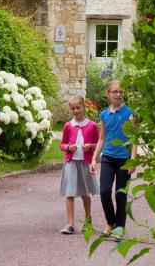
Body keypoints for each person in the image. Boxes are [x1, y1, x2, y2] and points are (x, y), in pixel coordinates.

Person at [90, 80, 138, 241]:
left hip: (124, 159)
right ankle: (111, 222)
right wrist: (94, 158)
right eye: (115, 92)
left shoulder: (129, 113)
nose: (118, 94)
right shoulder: (104, 114)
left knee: (120, 195)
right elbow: (102, 138)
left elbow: (134, 138)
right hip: (108, 158)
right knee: (104, 191)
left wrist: (133, 160)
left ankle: (119, 228)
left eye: (120, 92)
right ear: (108, 94)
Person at [58, 95, 100, 235]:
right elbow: (62, 144)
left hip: (85, 163)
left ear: (84, 107)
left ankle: (88, 221)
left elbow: (99, 144)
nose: (76, 111)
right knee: (69, 193)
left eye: (78, 108)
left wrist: (91, 146)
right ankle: (70, 224)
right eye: (73, 109)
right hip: (71, 162)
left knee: (84, 193)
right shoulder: (68, 126)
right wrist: (68, 147)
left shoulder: (92, 125)